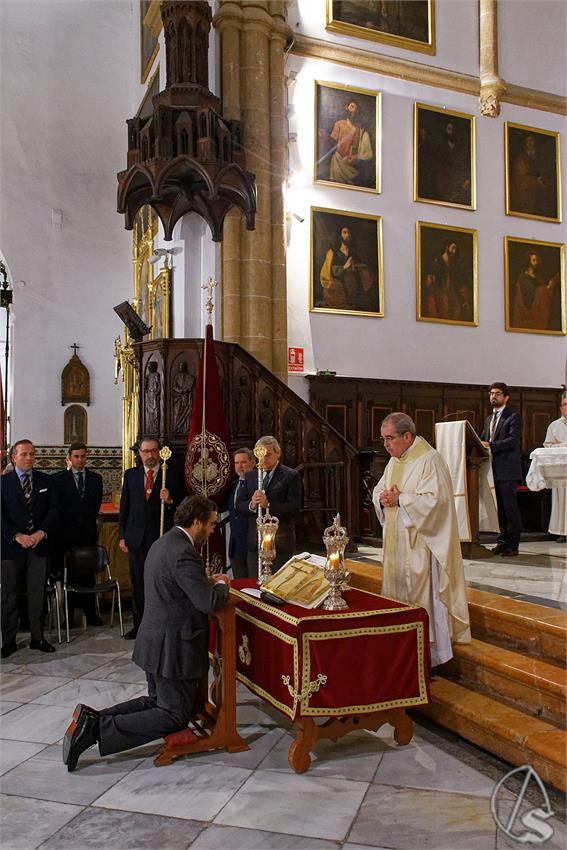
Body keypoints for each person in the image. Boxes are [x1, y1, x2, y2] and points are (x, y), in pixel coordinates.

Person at [62, 495, 229, 772]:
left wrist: (204, 582)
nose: (212, 530)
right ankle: (96, 730)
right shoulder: (183, 552)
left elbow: (177, 586)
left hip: (156, 641)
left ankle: (92, 718)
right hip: (172, 646)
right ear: (196, 522)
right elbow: (208, 602)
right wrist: (222, 584)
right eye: (210, 525)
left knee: (156, 702)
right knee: (174, 715)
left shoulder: (164, 542)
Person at [372, 413, 471, 667]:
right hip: (397, 546)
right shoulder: (395, 462)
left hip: (421, 550)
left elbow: (437, 503)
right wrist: (382, 497)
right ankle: (401, 653)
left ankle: (428, 657)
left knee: (422, 599)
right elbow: (380, 489)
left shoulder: (430, 460)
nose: (386, 445)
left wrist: (401, 499)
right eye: (383, 439)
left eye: (390, 438)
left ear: (407, 436)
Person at [119, 436, 184, 639]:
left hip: (161, 536)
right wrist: (122, 536)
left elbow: (183, 507)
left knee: (162, 582)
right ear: (139, 453)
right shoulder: (131, 475)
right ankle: (139, 626)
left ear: (160, 452)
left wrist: (170, 499)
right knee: (138, 582)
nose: (150, 455)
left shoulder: (171, 475)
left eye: (154, 451)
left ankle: (162, 625)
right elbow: (125, 507)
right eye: (146, 451)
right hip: (136, 538)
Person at [1, 439, 59, 657]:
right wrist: (17, 536)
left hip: (39, 546)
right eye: (24, 454)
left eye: (32, 454)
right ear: (14, 457)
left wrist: (39, 533)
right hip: (11, 548)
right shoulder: (3, 483)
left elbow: (54, 511)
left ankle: (38, 638)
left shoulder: (47, 481)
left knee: (37, 594)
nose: (28, 458)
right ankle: (8, 641)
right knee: (9, 595)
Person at [53, 442, 104, 627]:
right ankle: (69, 615)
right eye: (76, 456)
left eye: (83, 456)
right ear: (69, 458)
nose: (80, 460)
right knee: (69, 575)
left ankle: (91, 613)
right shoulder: (58, 480)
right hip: (66, 536)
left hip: (88, 535)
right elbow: (57, 508)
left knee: (88, 574)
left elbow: (95, 505)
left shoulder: (95, 479)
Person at [237, 436, 302, 577]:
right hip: (255, 544)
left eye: (268, 455)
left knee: (279, 586)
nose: (264, 459)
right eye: (261, 455)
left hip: (280, 544)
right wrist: (252, 504)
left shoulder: (290, 476)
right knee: (254, 584)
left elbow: (295, 507)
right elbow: (239, 505)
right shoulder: (250, 476)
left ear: (278, 453)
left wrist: (268, 506)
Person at [481, 383, 523, 556]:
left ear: (506, 397)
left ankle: (513, 545)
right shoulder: (489, 419)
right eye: (491, 393)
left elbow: (512, 441)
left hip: (507, 471)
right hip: (491, 471)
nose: (493, 396)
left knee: (510, 509)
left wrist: (490, 445)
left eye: (497, 394)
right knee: (498, 510)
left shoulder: (513, 416)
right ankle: (502, 541)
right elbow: (482, 440)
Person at [318, 98, 373, 187]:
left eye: (356, 108)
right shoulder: (339, 124)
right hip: (338, 162)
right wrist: (324, 135)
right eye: (352, 106)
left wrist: (357, 157)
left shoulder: (359, 128)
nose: (354, 110)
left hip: (352, 166)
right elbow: (332, 142)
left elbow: (362, 147)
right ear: (346, 107)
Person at [319, 225, 375, 311]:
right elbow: (331, 272)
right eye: (344, 232)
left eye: (349, 233)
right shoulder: (333, 253)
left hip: (354, 290)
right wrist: (345, 266)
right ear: (340, 235)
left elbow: (361, 270)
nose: (347, 235)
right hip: (339, 290)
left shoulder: (355, 253)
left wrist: (356, 268)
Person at [421, 238, 472, 323]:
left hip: (450, 293)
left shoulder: (453, 264)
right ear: (447, 247)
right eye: (453, 248)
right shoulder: (437, 261)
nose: (454, 251)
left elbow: (456, 282)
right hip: (439, 293)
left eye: (455, 249)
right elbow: (431, 278)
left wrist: (463, 300)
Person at [226, 447, 256, 579]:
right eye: (236, 463)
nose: (239, 466)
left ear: (253, 463)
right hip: (236, 544)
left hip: (252, 544)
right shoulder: (234, 485)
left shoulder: (259, 484)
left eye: (243, 462)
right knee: (240, 585)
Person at [512, 250, 559, 331]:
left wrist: (550, 286)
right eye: (533, 260)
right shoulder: (523, 277)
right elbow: (529, 292)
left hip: (538, 309)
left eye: (537, 260)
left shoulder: (537, 276)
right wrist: (546, 289)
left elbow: (542, 289)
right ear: (528, 261)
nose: (536, 263)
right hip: (528, 310)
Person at [543, 394, 567, 542]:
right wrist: (563, 446)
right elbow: (547, 446)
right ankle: (561, 532)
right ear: (560, 408)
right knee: (561, 501)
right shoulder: (554, 425)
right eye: (565, 404)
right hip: (560, 471)